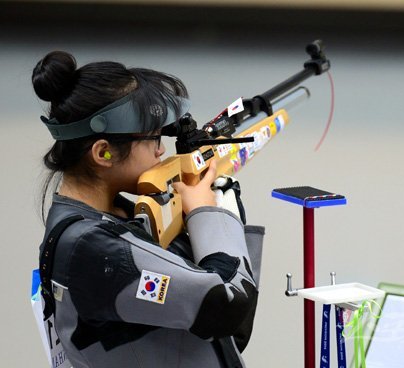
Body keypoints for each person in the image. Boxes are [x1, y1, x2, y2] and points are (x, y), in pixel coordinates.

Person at [33, 51, 264, 368]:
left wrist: (200, 215)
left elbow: (230, 336)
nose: (161, 149)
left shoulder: (119, 220)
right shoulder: (94, 249)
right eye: (153, 137)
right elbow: (225, 307)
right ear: (103, 153)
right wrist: (210, 212)